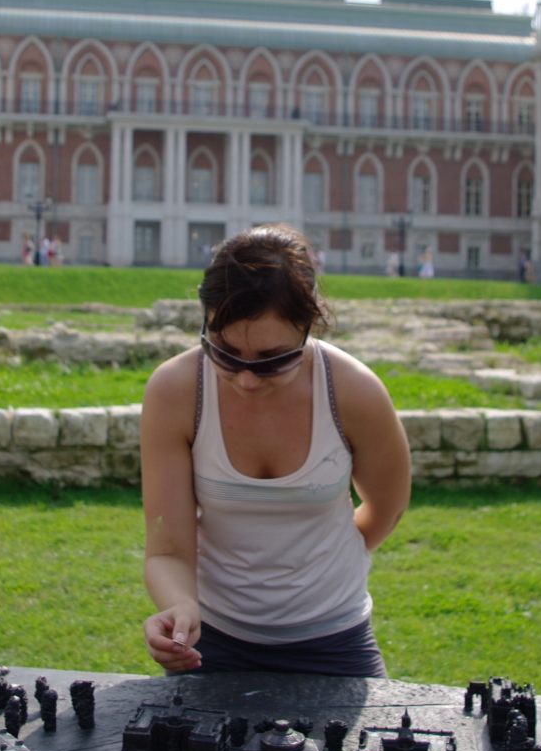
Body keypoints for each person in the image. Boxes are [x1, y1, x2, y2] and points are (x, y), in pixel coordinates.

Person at [140, 225, 411, 677]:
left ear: (310, 326)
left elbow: (388, 506)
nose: (246, 380)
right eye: (224, 352)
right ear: (204, 321)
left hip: (336, 640)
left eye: (273, 359)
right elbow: (167, 549)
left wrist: (325, 564)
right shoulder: (176, 390)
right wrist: (180, 606)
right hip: (211, 639)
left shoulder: (354, 391)